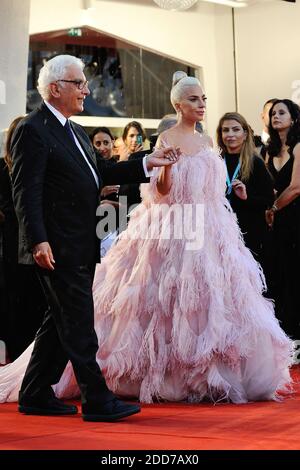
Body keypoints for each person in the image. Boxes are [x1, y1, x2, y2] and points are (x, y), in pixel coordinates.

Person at [0, 71, 292, 406]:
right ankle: (148, 378)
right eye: (194, 99)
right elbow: (162, 190)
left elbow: (213, 189)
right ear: (179, 104)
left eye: (203, 99)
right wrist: (164, 168)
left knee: (212, 301)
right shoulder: (167, 137)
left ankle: (211, 372)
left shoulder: (208, 142)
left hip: (212, 226)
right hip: (173, 226)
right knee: (165, 300)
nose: (201, 105)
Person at [0, 55, 180, 421]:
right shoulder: (32, 129)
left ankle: (34, 392)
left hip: (80, 241)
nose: (86, 90)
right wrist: (37, 240)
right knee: (79, 322)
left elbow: (102, 171)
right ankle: (98, 400)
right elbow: (25, 191)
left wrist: (149, 162)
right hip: (55, 244)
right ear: (55, 88)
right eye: (78, 83)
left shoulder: (75, 130)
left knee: (60, 321)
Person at [0, 116, 45, 361]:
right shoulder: (2, 167)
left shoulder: (35, 166)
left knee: (36, 300)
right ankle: (17, 356)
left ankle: (34, 357)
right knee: (15, 301)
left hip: (36, 241)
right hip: (12, 245)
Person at [216, 112, 274, 270]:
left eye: (235, 129)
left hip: (250, 235)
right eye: (225, 130)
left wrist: (246, 197)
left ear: (245, 133)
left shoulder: (256, 163)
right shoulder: (215, 162)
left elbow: (269, 200)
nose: (230, 135)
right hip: (220, 233)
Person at [265, 99, 300, 341]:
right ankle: (284, 334)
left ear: (294, 118)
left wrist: (273, 208)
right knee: (279, 273)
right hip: (274, 221)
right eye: (273, 113)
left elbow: (296, 187)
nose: (275, 116)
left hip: (295, 217)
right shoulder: (269, 150)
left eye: (281, 112)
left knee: (295, 273)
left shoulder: (299, 147)